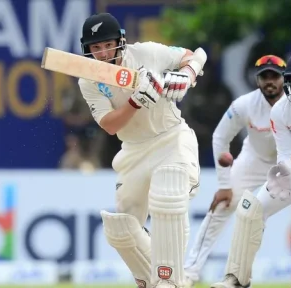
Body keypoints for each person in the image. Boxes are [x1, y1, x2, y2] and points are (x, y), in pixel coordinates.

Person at [185, 55, 291, 287]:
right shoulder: (245, 105)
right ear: (257, 80)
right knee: (238, 209)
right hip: (257, 161)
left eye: (274, 76)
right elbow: (220, 137)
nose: (270, 81)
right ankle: (199, 273)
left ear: (283, 78)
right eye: (264, 76)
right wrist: (225, 183)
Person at [78, 12, 207, 288]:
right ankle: (159, 281)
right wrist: (135, 102)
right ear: (87, 50)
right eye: (95, 47)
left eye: (107, 44)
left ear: (120, 41)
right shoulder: (88, 79)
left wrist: (187, 75)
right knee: (120, 229)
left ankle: (169, 280)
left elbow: (194, 54)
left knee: (168, 196)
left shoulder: (146, 53)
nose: (102, 53)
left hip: (171, 138)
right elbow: (110, 125)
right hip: (134, 150)